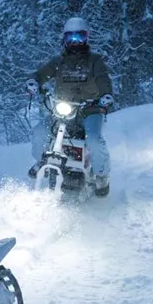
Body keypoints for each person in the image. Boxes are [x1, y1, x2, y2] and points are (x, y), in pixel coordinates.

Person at [26, 17, 114, 195]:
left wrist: (106, 95)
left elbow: (102, 78)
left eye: (79, 37)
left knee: (94, 138)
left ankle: (101, 174)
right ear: (65, 39)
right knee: (39, 132)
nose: (75, 42)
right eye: (71, 38)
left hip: (90, 109)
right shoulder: (59, 62)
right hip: (63, 109)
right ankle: (41, 160)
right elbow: (42, 74)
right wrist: (34, 82)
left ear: (86, 38)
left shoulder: (95, 61)